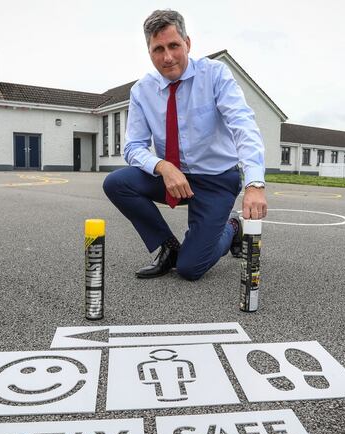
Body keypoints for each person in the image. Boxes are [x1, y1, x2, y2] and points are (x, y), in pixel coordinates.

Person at [103, 9, 267, 281]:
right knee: (117, 183)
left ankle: (232, 227)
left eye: (174, 46)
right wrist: (163, 166)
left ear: (187, 43)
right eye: (158, 49)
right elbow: (133, 147)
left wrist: (255, 184)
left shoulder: (215, 75)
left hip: (216, 179)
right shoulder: (142, 91)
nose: (167, 57)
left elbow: (244, 126)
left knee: (190, 269)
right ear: (149, 52)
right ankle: (168, 247)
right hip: (174, 177)